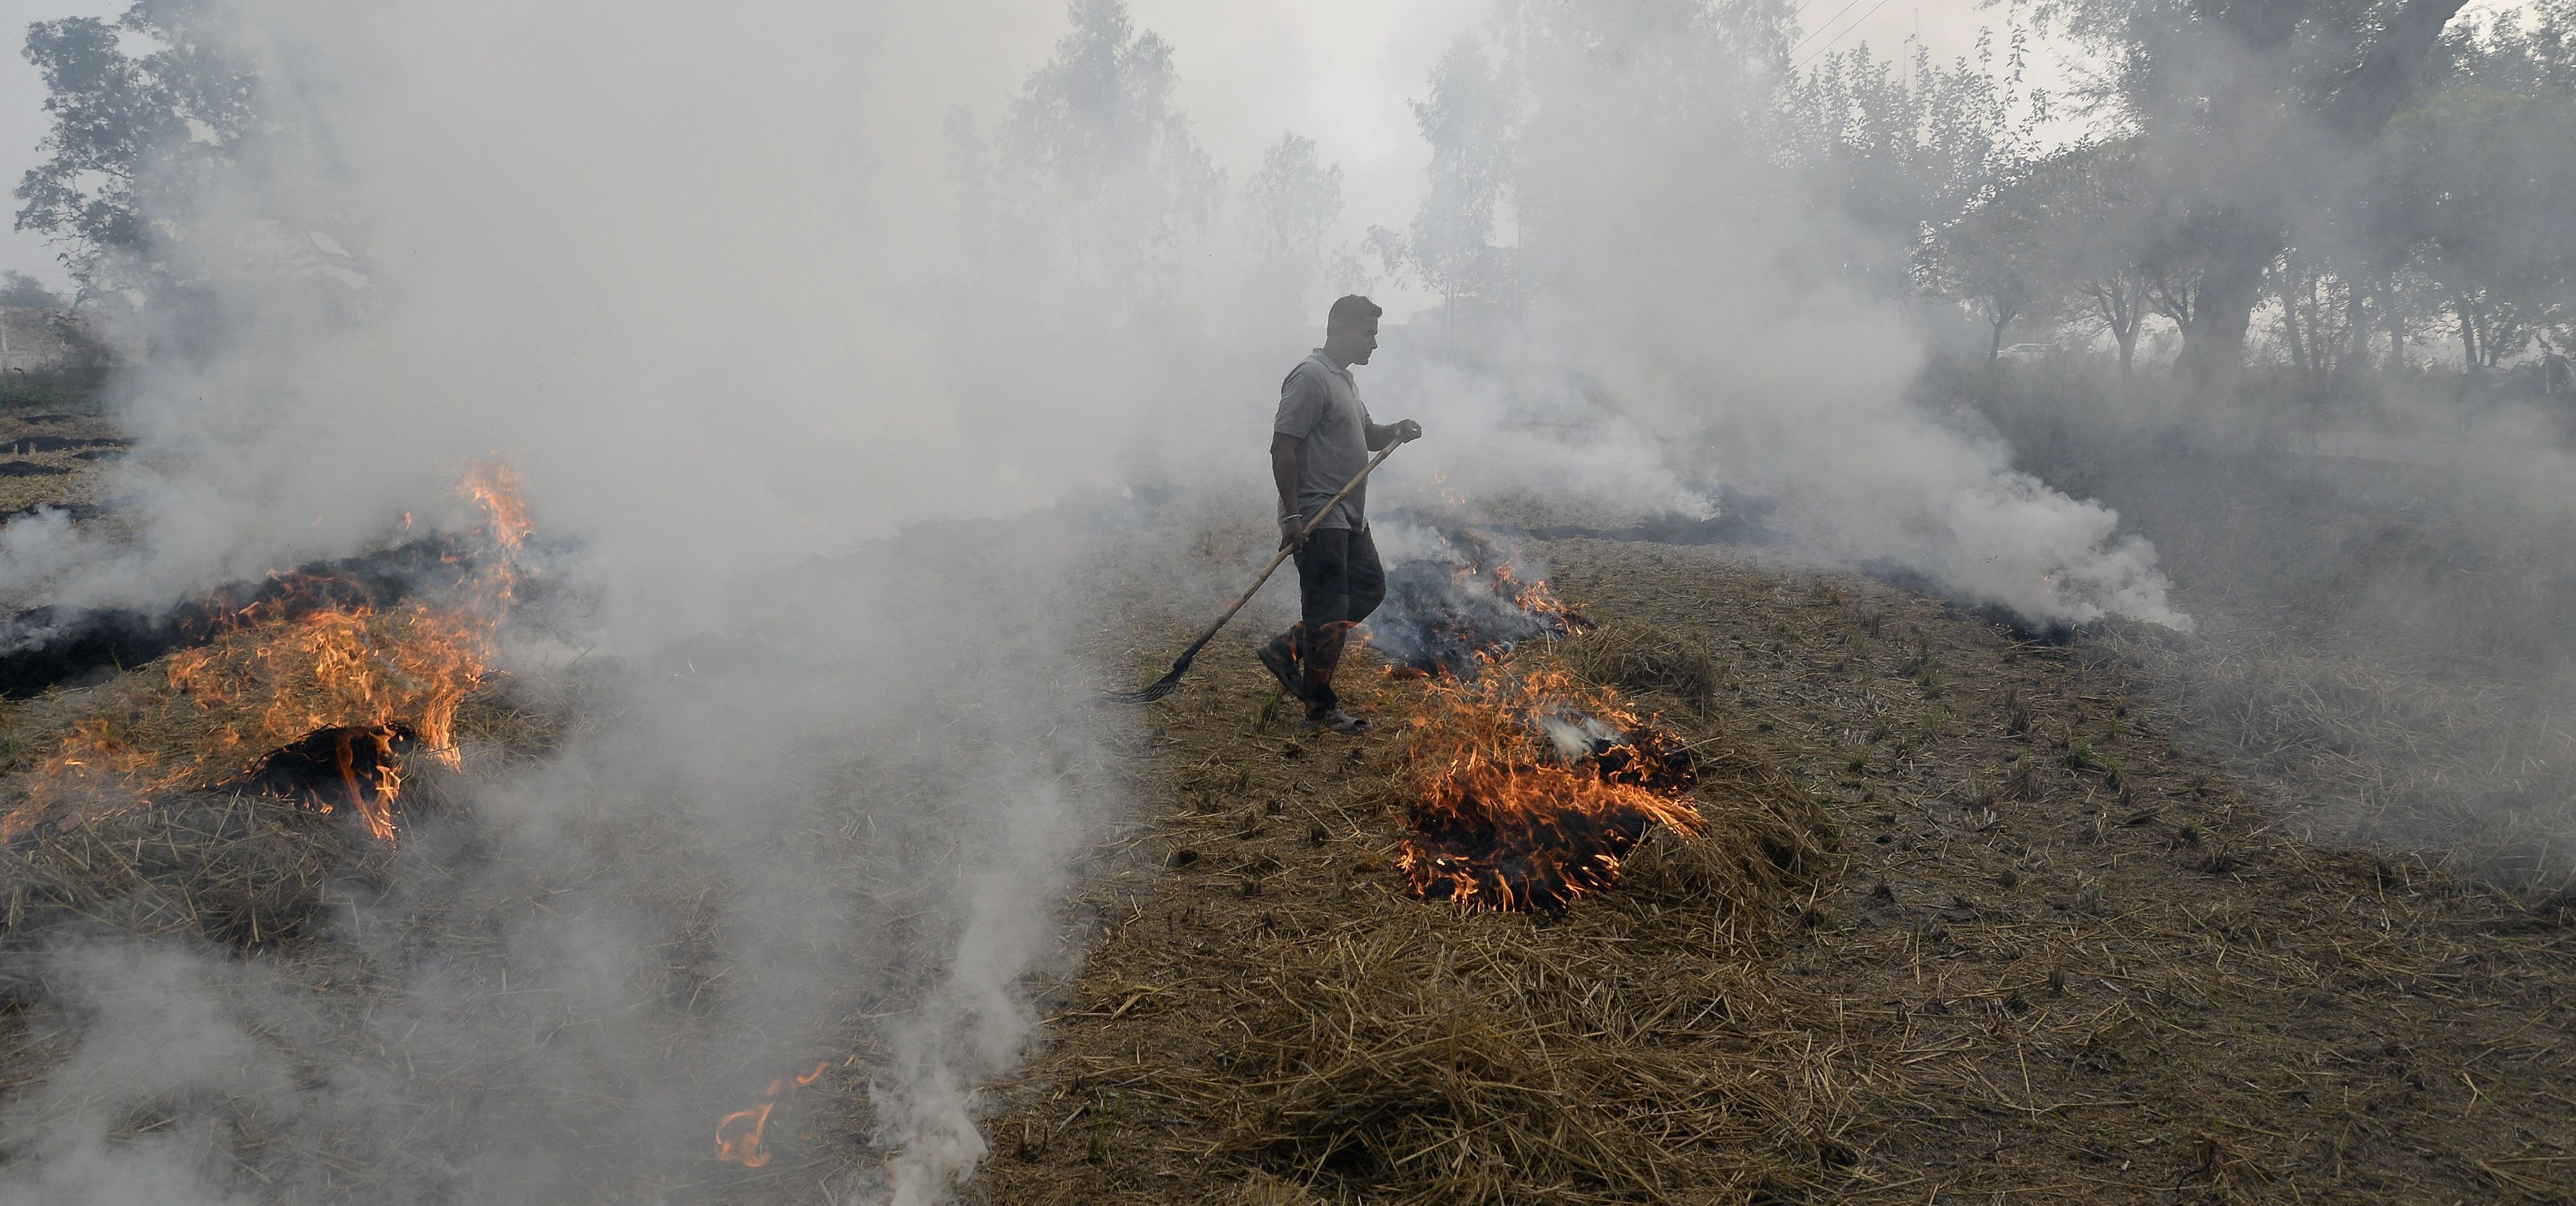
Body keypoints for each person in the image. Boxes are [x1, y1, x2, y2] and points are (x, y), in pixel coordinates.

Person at [1256, 295, 1421, 735]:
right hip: (1318, 513)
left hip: (1350, 514)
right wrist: (1292, 517)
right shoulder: (1310, 377)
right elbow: (1282, 447)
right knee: (1329, 610)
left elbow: (1367, 433)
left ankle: (1287, 647)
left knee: (1369, 588)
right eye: (1368, 333)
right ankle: (1320, 709)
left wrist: (1396, 431)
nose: (1374, 343)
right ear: (1341, 329)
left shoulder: (1345, 381)